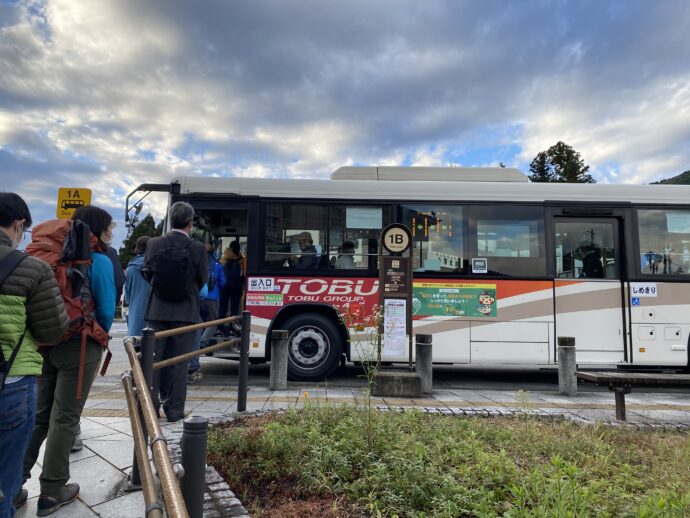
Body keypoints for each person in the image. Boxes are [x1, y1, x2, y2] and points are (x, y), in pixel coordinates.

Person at [22, 205, 115, 517]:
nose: (112, 233)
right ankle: (51, 491)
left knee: (39, 415)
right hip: (81, 343)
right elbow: (106, 308)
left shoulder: (52, 254)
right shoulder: (99, 260)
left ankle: (10, 484)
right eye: (109, 228)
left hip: (45, 341)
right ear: (98, 230)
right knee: (64, 417)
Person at [0, 193, 69, 518]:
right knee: (3, 481)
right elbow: (53, 329)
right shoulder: (31, 269)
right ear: (17, 225)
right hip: (10, 380)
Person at [143, 202, 207, 422]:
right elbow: (202, 278)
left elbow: (147, 273)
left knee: (153, 361)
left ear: (170, 220)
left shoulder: (153, 243)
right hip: (185, 312)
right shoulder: (198, 248)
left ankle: (150, 408)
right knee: (180, 362)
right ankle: (175, 410)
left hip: (157, 310)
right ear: (190, 222)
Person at [124, 236, 151, 337]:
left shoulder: (130, 269)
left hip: (135, 316)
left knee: (135, 349)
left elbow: (127, 297)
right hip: (154, 318)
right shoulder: (156, 266)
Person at [219, 241, 244, 319]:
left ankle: (220, 325)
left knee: (223, 306)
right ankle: (233, 325)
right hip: (236, 286)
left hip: (224, 286)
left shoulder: (223, 260)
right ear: (239, 249)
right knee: (234, 307)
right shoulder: (242, 261)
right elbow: (243, 275)